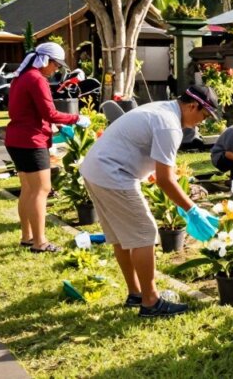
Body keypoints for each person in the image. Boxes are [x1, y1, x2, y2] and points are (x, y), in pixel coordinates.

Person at [80, 85, 221, 317]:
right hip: (113, 174)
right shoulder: (169, 125)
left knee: (121, 237)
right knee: (145, 233)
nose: (201, 123)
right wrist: (193, 210)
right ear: (193, 106)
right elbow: (166, 180)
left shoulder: (163, 109)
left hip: (95, 170)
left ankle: (136, 293)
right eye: (203, 116)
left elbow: (154, 164)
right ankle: (151, 302)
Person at [5, 42, 89, 253]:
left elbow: (26, 111)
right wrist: (75, 118)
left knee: (28, 189)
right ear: (45, 61)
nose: (57, 69)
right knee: (41, 190)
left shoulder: (20, 77)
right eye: (56, 65)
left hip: (16, 139)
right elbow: (49, 113)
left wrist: (52, 123)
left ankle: (27, 237)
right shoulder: (36, 79)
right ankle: (40, 243)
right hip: (31, 142)